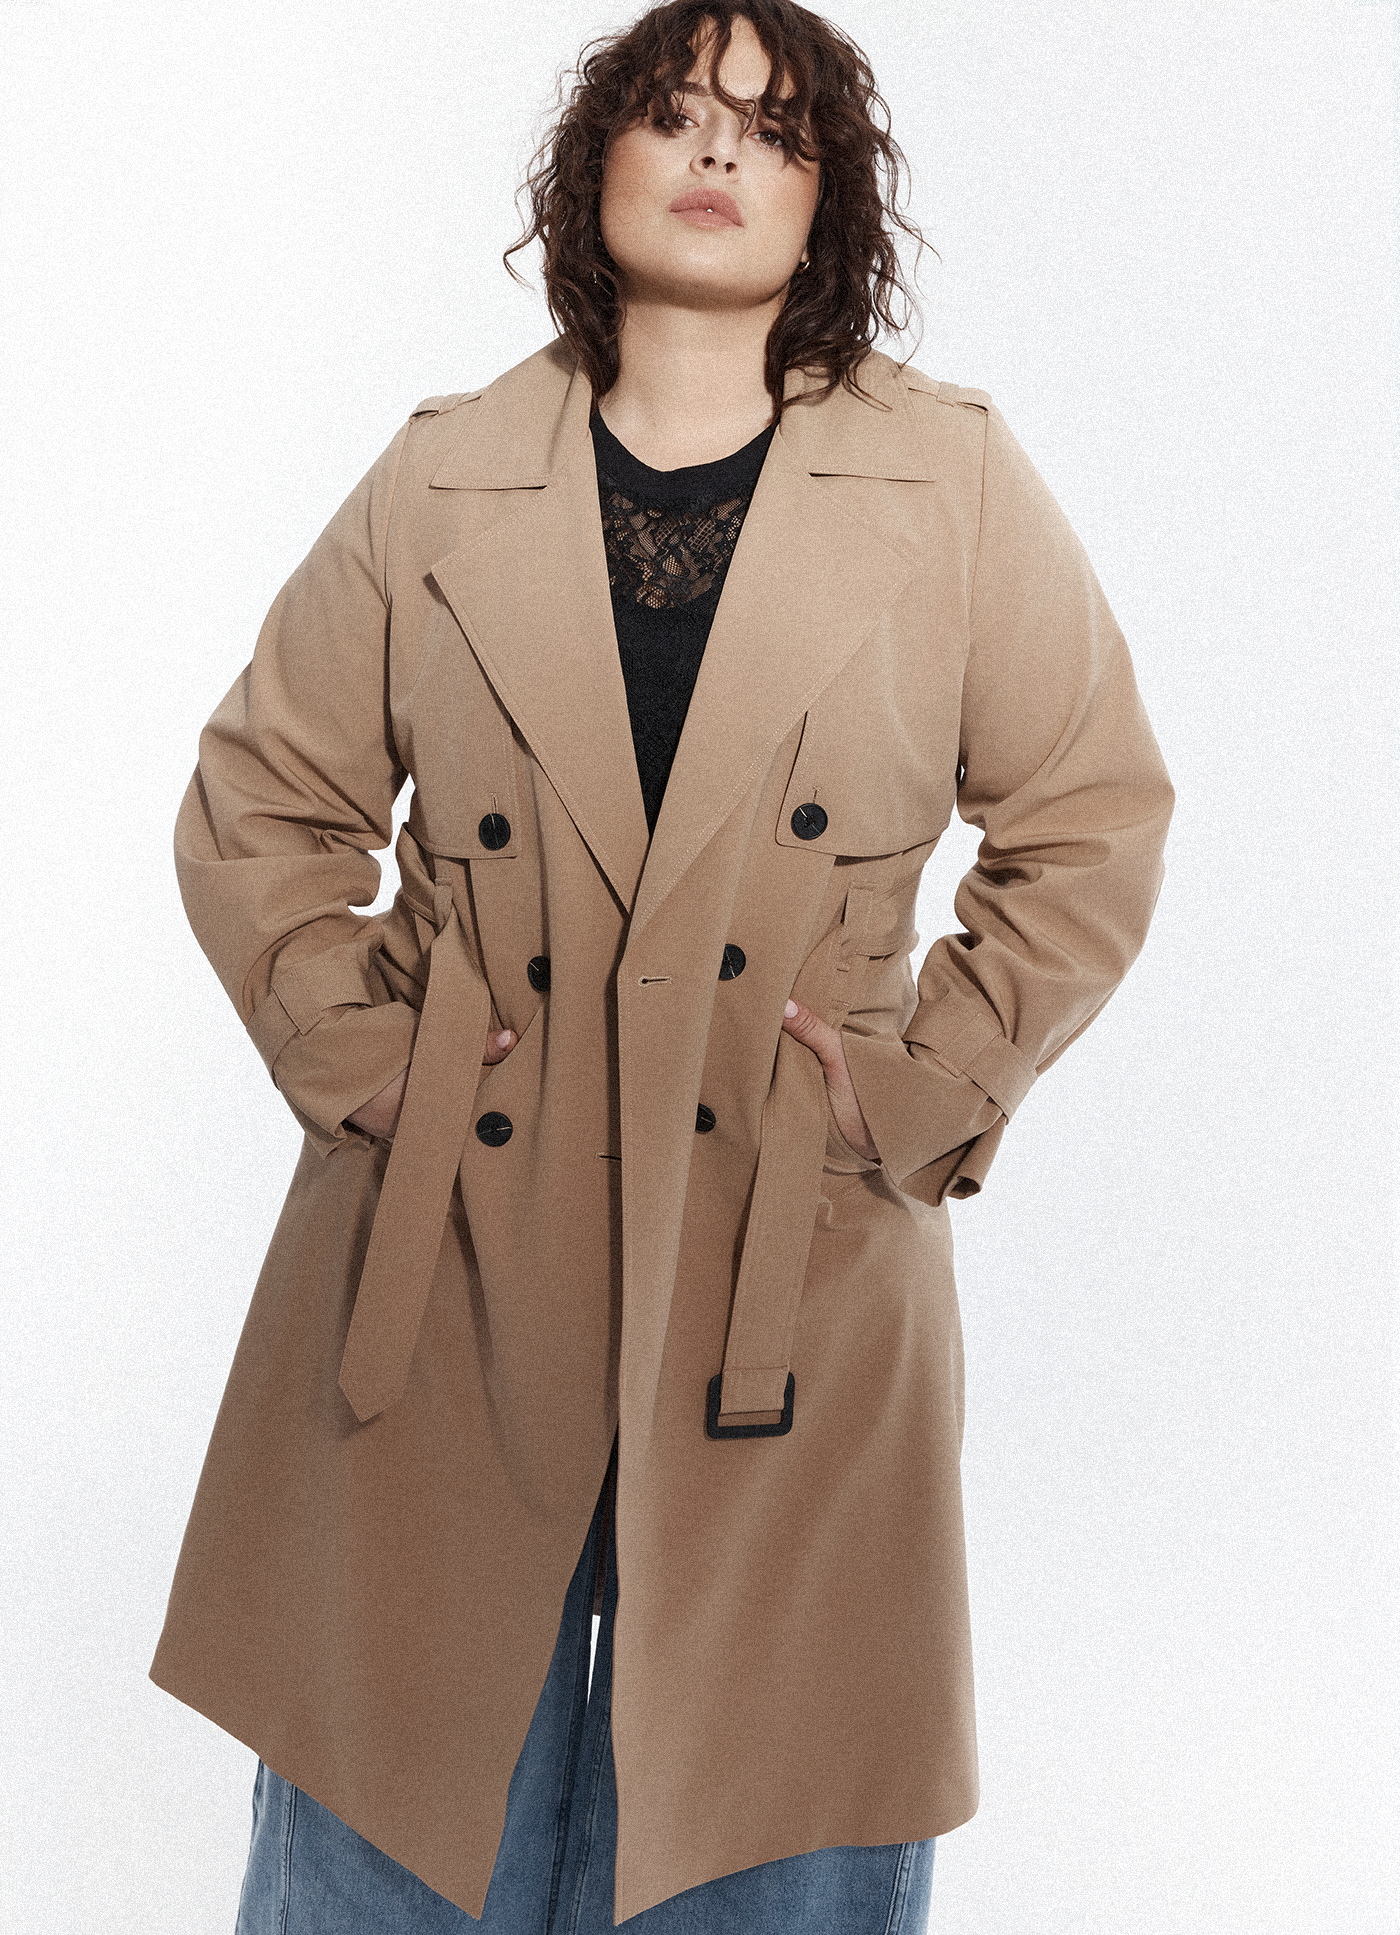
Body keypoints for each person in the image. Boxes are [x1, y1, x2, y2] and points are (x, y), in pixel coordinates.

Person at [149, 2, 1175, 1929]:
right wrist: (361, 1053)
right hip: (451, 1246)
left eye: (771, 130)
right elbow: (261, 798)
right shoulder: (442, 474)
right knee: (390, 1831)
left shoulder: (950, 480)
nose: (716, 151)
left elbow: (1092, 815)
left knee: (771, 1833)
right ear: (595, 163)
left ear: (827, 199)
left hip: (793, 1257)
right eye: (675, 110)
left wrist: (914, 1087)